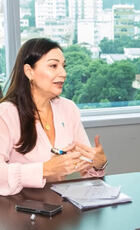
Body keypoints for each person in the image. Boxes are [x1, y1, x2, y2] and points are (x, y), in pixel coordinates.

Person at [0, 38, 107, 196]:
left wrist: (98, 164)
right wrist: (45, 169)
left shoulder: (68, 108)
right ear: (29, 72)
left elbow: (86, 167)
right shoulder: (6, 113)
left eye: (63, 66)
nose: (63, 73)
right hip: (17, 212)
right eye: (53, 66)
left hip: (58, 209)